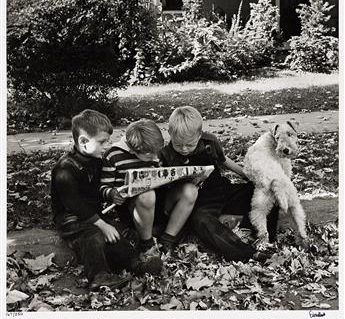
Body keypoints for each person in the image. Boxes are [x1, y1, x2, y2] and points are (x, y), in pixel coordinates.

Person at [51, 109, 162, 292]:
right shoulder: (65, 169)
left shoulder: (95, 160)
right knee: (94, 235)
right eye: (102, 142)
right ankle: (98, 276)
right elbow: (74, 204)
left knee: (116, 234)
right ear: (84, 142)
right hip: (70, 218)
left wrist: (111, 194)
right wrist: (102, 224)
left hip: (93, 214)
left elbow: (99, 190)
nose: (107, 146)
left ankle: (136, 265)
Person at [159, 106, 279, 263]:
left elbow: (224, 161)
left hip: (222, 190)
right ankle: (248, 254)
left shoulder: (209, 143)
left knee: (269, 190)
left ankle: (265, 237)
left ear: (199, 135)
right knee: (202, 222)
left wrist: (248, 176)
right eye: (178, 144)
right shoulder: (165, 155)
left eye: (189, 145)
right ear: (170, 134)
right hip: (200, 202)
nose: (184, 149)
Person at [101, 119, 198, 254]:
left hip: (159, 203)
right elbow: (103, 186)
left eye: (156, 152)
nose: (155, 157)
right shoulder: (113, 155)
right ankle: (147, 244)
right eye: (149, 154)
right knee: (147, 194)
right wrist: (112, 193)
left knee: (190, 190)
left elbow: (162, 176)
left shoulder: (153, 151)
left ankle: (168, 239)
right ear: (133, 149)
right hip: (135, 209)